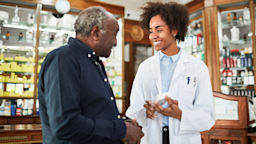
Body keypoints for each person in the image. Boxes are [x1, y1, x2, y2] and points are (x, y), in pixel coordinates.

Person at [38, 6, 143, 144]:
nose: (116, 43)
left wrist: (124, 124)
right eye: (114, 34)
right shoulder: (63, 59)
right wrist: (120, 130)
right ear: (95, 33)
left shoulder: (94, 63)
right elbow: (65, 124)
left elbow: (94, 113)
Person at [125, 2, 215, 144]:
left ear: (174, 30)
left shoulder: (197, 67)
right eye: (150, 31)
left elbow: (207, 116)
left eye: (158, 30)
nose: (153, 36)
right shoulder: (145, 67)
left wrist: (180, 114)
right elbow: (133, 108)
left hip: (185, 138)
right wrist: (145, 112)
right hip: (153, 137)